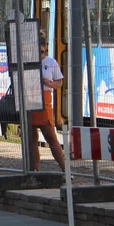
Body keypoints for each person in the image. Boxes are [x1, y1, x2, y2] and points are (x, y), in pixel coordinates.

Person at [30, 35, 66, 172]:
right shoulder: (29, 61)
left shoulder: (51, 62)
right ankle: (35, 169)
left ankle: (64, 168)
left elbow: (60, 82)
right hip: (30, 98)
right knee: (32, 138)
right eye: (37, 52)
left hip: (45, 100)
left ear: (45, 49)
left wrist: (50, 83)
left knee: (50, 136)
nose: (40, 55)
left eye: (42, 52)